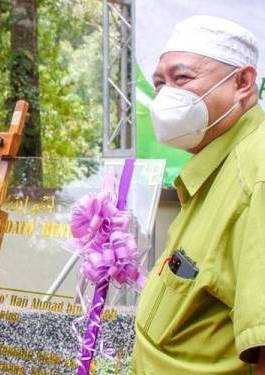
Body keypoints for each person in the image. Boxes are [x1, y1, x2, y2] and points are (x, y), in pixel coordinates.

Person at [133, 16, 265, 374]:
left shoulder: (257, 174)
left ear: (242, 82)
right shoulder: (217, 168)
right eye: (159, 83)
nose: (165, 96)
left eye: (182, 79)